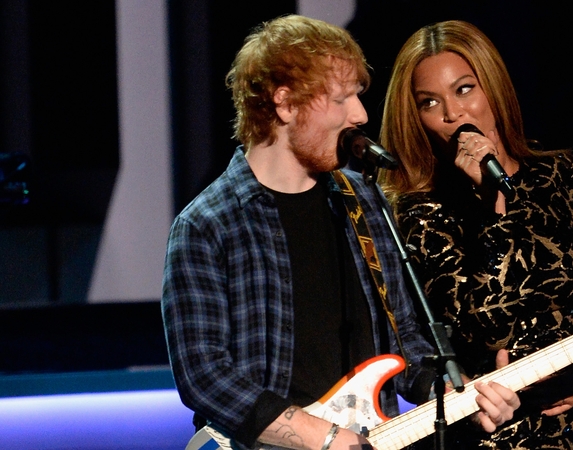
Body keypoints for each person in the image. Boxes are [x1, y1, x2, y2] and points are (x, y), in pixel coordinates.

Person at [161, 15, 520, 450]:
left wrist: (456, 395)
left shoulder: (363, 200)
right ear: (285, 104)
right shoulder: (207, 225)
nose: (360, 114)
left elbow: (404, 338)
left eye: (358, 96)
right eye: (341, 99)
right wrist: (323, 436)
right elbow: (204, 375)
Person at [379, 20, 573, 449]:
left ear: (493, 87)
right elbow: (488, 323)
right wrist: (494, 206)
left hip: (572, 431)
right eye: (430, 102)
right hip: (491, 436)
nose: (453, 114)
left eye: (465, 89)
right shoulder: (421, 209)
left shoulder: (556, 174)